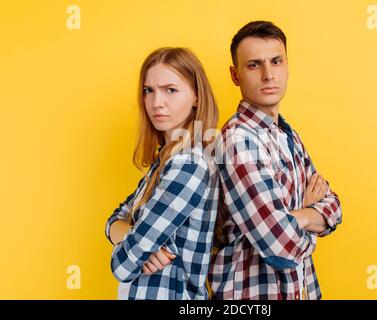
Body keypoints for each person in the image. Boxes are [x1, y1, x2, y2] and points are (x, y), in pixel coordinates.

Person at [208, 21, 343, 300]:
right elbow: (281, 246)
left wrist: (295, 217)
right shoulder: (238, 140)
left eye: (276, 61)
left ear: (287, 66)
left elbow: (335, 207)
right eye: (254, 65)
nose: (269, 74)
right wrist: (308, 214)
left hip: (300, 289)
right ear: (235, 75)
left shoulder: (288, 134)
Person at [104, 47, 219, 300]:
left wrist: (134, 245)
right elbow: (115, 218)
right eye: (149, 90)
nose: (157, 102)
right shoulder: (165, 160)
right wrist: (135, 240)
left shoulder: (188, 164)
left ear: (196, 97)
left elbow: (122, 266)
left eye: (171, 90)